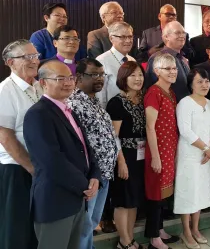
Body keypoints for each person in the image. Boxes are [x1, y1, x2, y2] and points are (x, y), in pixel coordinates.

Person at [23, 60, 101, 249]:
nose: (67, 83)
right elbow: (51, 160)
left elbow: (85, 148)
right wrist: (84, 185)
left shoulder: (67, 110)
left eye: (70, 78)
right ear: (43, 83)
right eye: (60, 78)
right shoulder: (38, 114)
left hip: (76, 198)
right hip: (55, 201)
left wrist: (95, 176)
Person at [66, 58, 118, 249]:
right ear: (79, 77)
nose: (99, 79)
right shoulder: (73, 104)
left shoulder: (94, 101)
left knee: (91, 222)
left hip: (103, 173)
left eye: (102, 74)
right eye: (94, 74)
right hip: (89, 176)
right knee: (83, 224)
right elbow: (75, 145)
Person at [0, 39, 41, 249]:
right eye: (27, 57)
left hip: (38, 168)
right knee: (16, 228)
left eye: (35, 55)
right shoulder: (5, 90)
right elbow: (5, 136)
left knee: (34, 228)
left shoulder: (37, 87)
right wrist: (32, 168)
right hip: (17, 169)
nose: (34, 61)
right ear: (10, 63)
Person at [106, 61, 146, 249]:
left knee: (134, 199)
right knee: (123, 200)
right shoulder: (116, 103)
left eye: (140, 75)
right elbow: (114, 137)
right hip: (125, 155)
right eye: (133, 75)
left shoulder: (143, 99)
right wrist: (121, 162)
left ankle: (130, 237)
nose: (138, 79)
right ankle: (124, 241)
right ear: (123, 78)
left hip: (141, 155)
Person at [174, 69, 210, 249]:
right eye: (199, 82)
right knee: (188, 191)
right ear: (191, 84)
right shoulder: (185, 103)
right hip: (190, 155)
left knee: (200, 190)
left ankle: (196, 228)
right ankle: (186, 231)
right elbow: (185, 131)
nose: (204, 85)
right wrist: (206, 148)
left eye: (206, 81)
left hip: (206, 155)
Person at [143, 54, 180, 249]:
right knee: (155, 196)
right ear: (157, 71)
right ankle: (153, 237)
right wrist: (156, 157)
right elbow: (150, 127)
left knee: (163, 194)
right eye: (168, 68)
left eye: (174, 68)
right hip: (157, 152)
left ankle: (160, 230)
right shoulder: (153, 93)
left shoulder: (170, 92)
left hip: (169, 149)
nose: (173, 71)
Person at [145, 21, 190, 101]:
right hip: (167, 109)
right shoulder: (156, 58)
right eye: (177, 33)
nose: (182, 36)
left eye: (183, 33)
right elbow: (150, 87)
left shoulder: (183, 59)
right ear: (166, 37)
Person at [96, 21, 136, 108]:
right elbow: (100, 96)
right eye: (123, 37)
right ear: (111, 38)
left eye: (130, 36)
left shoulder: (132, 60)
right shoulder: (102, 61)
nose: (128, 40)